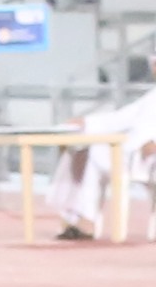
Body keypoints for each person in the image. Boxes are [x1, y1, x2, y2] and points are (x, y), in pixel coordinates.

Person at [47, 87, 156, 239]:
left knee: (97, 151)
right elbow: (122, 118)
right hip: (141, 157)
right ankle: (84, 219)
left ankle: (85, 219)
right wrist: (86, 123)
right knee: (91, 149)